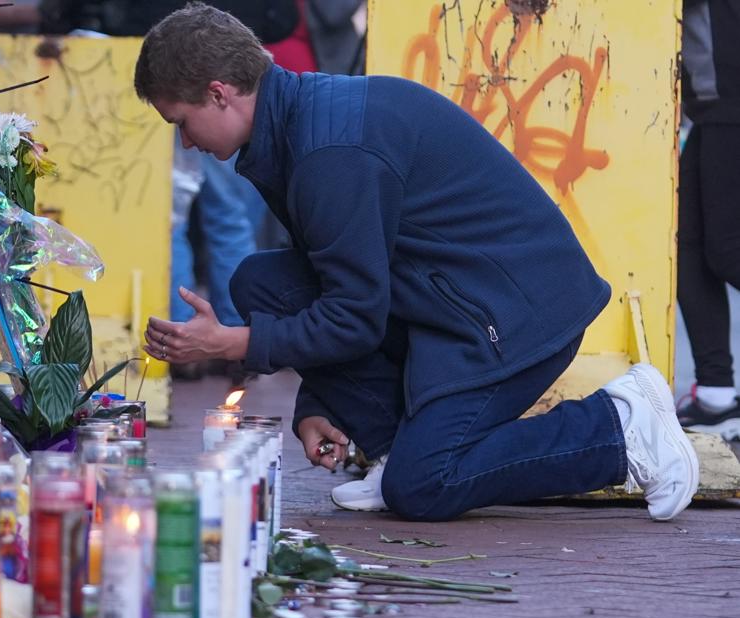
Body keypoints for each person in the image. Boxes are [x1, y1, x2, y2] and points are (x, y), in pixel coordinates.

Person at [136, 3, 700, 522]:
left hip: (519, 317)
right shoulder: (297, 124)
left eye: (179, 121)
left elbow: (354, 316)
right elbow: (340, 286)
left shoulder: (329, 152)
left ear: (218, 94)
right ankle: (388, 451)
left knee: (425, 485)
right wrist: (316, 405)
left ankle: (621, 429)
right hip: (453, 301)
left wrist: (232, 343)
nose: (185, 143)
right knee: (261, 281)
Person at [675, 0, 740, 440]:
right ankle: (715, 395)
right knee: (686, 245)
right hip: (713, 106)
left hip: (731, 100)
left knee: (726, 250)